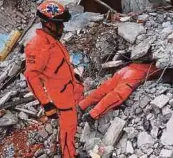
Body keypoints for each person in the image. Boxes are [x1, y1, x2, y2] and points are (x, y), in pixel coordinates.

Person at [24, 1, 90, 158]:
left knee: (71, 119)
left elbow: (58, 65)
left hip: (69, 87)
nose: (62, 28)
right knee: (69, 126)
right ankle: (69, 154)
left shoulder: (52, 40)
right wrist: (46, 104)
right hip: (61, 96)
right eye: (59, 24)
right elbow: (31, 77)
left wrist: (73, 76)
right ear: (48, 24)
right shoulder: (38, 45)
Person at [79, 62, 160, 124]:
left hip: (128, 68)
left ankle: (82, 105)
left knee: (104, 88)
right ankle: (93, 115)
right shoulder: (162, 67)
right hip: (136, 73)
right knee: (117, 94)